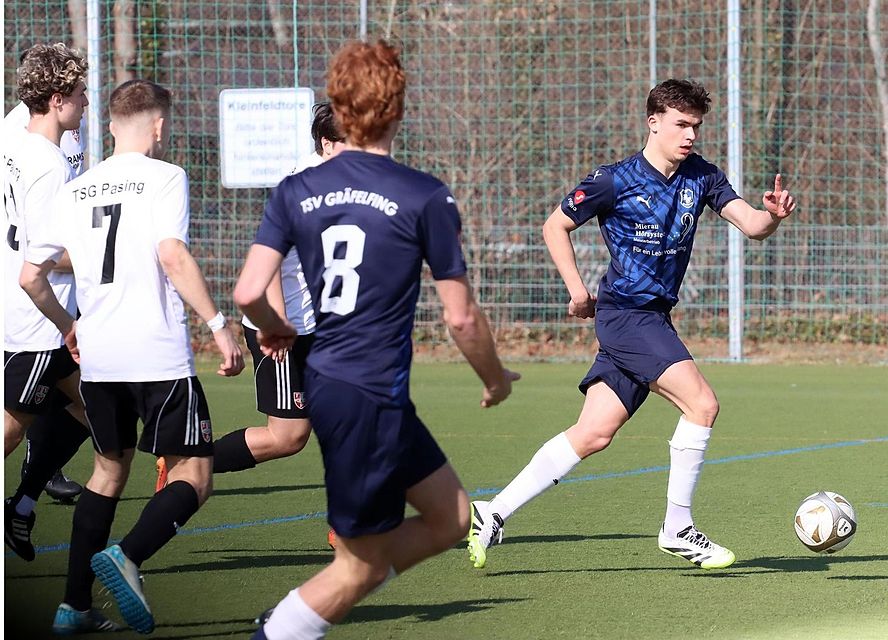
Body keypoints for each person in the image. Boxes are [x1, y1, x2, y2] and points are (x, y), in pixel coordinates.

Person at [234, 40, 519, 640]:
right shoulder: (423, 194)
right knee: (356, 568)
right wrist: (494, 378)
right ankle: (289, 624)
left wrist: (276, 329)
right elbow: (462, 318)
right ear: (398, 108)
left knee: (451, 517)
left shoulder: (296, 191)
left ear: (337, 107)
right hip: (367, 396)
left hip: (348, 386)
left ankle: (318, 605)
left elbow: (247, 293)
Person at [467, 79, 797, 571]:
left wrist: (771, 217)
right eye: (681, 125)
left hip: (651, 318)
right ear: (654, 121)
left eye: (696, 127)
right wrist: (577, 291)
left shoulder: (702, 177)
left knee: (593, 433)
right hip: (625, 318)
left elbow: (751, 225)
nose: (689, 135)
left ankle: (492, 511)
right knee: (702, 405)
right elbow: (554, 225)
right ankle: (677, 527)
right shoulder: (614, 179)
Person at [19, 79, 245, 635]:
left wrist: (68, 326)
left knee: (107, 471)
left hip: (99, 360)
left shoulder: (78, 189)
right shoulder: (167, 177)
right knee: (195, 473)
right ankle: (128, 555)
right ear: (160, 127)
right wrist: (218, 326)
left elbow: (31, 275)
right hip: (158, 357)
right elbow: (171, 254)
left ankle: (74, 606)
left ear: (111, 126)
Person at [156, 102, 346, 496]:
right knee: (288, 437)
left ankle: (351, 527)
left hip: (324, 328)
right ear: (326, 144)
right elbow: (270, 263)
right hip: (283, 327)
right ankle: (187, 464)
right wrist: (277, 325)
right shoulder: (301, 188)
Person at [3, 43, 91, 562]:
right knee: (11, 427)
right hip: (39, 322)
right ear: (58, 99)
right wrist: (68, 322)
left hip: (42, 317)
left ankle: (22, 504)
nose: (86, 103)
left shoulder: (13, 143)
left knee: (98, 408)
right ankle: (20, 504)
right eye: (80, 94)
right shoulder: (51, 166)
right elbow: (40, 263)